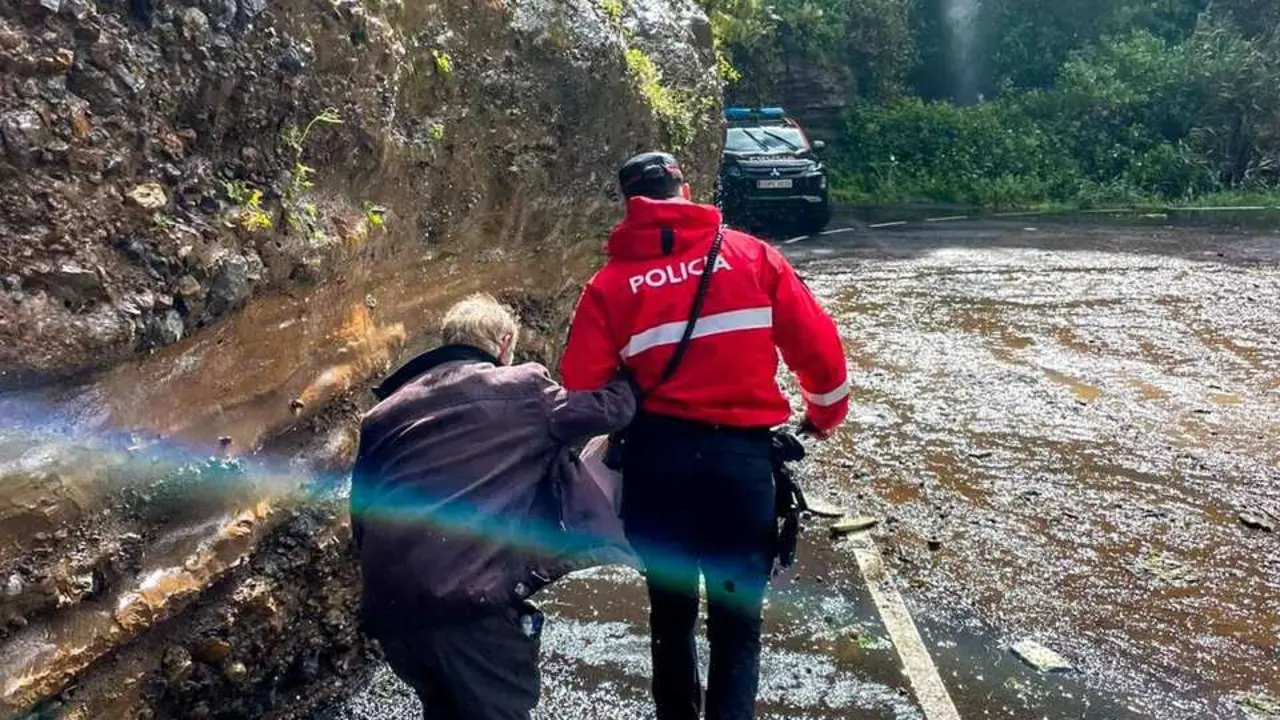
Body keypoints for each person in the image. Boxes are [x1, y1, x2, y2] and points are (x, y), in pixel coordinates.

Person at [559, 152, 849, 720]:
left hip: (656, 469)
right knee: (737, 628)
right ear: (685, 190)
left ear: (630, 204)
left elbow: (581, 385)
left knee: (671, 619)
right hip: (739, 468)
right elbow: (819, 350)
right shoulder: (751, 255)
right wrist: (822, 417)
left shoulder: (609, 285)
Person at [349, 293, 637, 720]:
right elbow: (609, 411)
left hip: (393, 614)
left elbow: (361, 519)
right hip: (466, 604)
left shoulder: (385, 414)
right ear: (504, 343)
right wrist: (635, 374)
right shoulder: (521, 388)